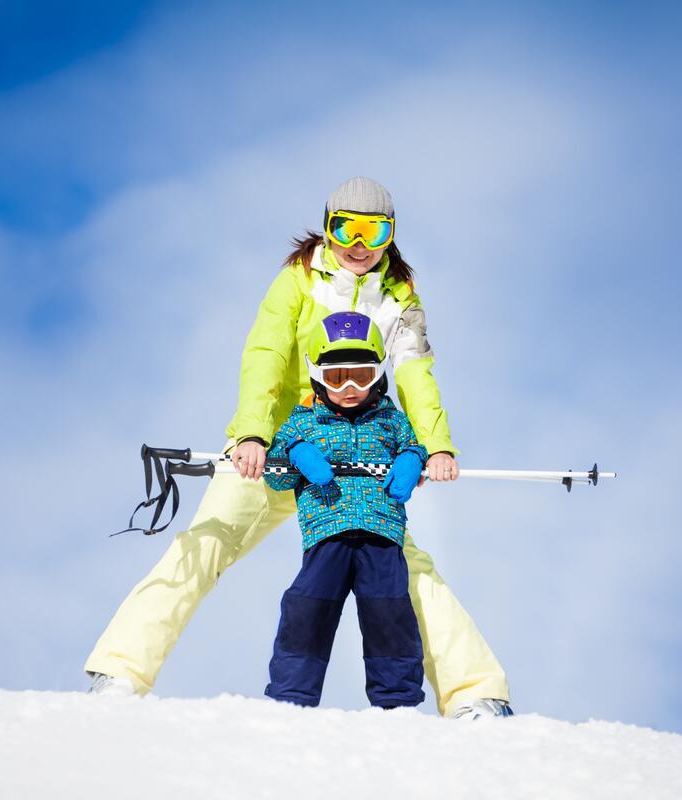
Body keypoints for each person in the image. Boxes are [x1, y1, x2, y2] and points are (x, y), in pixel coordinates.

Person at [85, 176, 513, 719]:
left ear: (391, 234)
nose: (359, 244)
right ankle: (118, 672)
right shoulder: (299, 280)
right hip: (280, 452)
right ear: (328, 227)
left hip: (354, 466)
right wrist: (252, 434)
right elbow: (266, 352)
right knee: (208, 540)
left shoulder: (400, 298)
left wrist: (434, 446)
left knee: (407, 569)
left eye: (374, 230)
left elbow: (415, 374)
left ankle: (476, 695)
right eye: (346, 228)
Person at [264, 311, 427, 709]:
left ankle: (397, 702)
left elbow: (412, 445)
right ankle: (290, 697)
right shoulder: (302, 422)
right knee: (307, 607)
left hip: (381, 534)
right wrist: (296, 452)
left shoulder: (389, 419)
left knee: (389, 613)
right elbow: (276, 475)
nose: (351, 388)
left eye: (363, 375)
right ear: (318, 376)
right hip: (327, 532)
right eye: (337, 378)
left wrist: (411, 459)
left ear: (379, 374)